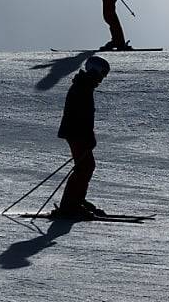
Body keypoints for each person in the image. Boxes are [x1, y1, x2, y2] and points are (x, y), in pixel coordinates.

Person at [53, 56, 110, 219]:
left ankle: (76, 201)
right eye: (102, 74)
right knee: (83, 167)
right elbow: (81, 115)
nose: (102, 78)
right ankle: (69, 206)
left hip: (77, 133)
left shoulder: (85, 85)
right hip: (76, 133)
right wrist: (87, 137)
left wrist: (89, 137)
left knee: (86, 166)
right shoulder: (82, 86)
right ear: (94, 70)